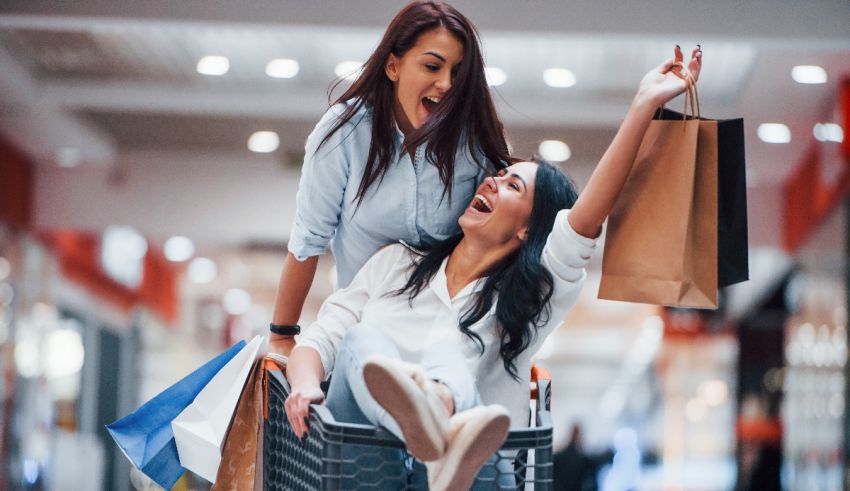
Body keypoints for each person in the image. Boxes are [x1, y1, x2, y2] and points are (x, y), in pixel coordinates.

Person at [284, 46, 703, 490]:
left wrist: (643, 105)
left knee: (451, 358)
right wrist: (305, 385)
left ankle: (441, 411)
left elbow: (586, 219)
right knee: (362, 339)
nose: (491, 181)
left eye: (512, 185)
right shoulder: (395, 264)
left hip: (468, 479)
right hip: (371, 473)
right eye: (499, 175)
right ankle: (439, 422)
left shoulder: (527, 299)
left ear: (529, 229)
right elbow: (321, 340)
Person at [267, 0, 512, 358]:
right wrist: (282, 336)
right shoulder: (344, 132)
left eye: (458, 74)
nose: (445, 84)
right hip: (363, 325)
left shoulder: (474, 141)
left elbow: (499, 242)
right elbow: (308, 241)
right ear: (393, 65)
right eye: (432, 66)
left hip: (446, 332)